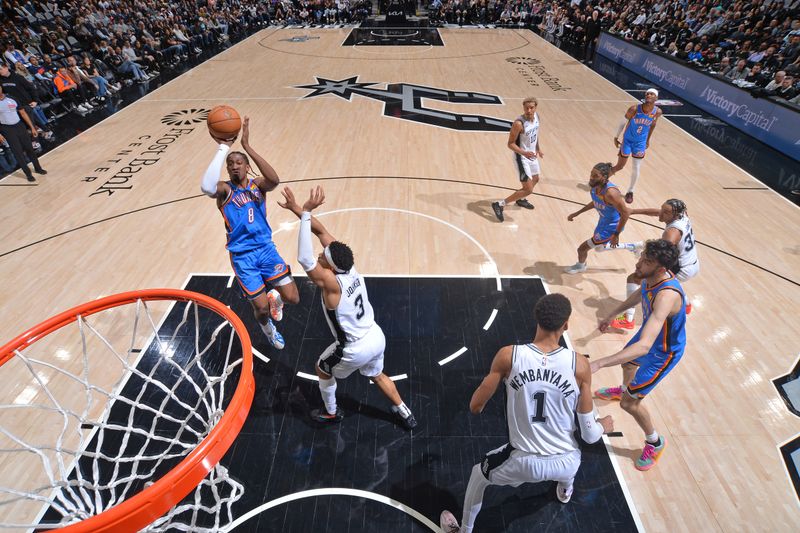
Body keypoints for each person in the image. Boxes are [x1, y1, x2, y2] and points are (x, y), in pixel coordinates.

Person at [439, 293, 613, 533]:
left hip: (523, 462)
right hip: (566, 462)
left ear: (536, 319)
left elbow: (475, 407)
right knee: (572, 452)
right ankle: (564, 490)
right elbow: (590, 435)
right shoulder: (579, 365)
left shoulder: (509, 356)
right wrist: (605, 424)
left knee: (477, 475)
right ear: (566, 325)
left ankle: (465, 530)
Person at [278, 186, 418, 429]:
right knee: (378, 375)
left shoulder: (332, 284)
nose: (321, 254)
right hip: (375, 335)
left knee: (322, 368)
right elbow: (320, 231)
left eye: (323, 256)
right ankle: (404, 411)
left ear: (330, 268)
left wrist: (307, 211)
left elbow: (304, 258)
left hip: (354, 347)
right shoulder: (346, 265)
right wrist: (299, 211)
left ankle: (331, 412)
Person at [200, 116, 300, 349]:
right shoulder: (225, 189)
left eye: (238, 162)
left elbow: (274, 179)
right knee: (261, 309)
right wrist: (223, 147)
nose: (234, 166)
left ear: (246, 166)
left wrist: (246, 146)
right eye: (230, 163)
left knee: (293, 298)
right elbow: (206, 187)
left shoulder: (258, 185)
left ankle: (275, 298)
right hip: (243, 257)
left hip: (266, 250)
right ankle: (268, 329)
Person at [592, 239, 686, 471]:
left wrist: (601, 362)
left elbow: (644, 347)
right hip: (649, 339)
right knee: (627, 365)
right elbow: (639, 294)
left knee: (629, 404)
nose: (639, 263)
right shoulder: (649, 276)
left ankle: (655, 442)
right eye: (642, 257)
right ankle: (625, 388)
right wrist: (613, 313)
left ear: (662, 268)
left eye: (647, 261)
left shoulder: (667, 295)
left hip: (662, 352)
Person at [611, 199, 699, 329]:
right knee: (674, 281)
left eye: (665, 212)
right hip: (692, 262)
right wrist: (633, 211)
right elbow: (657, 212)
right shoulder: (682, 215)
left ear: (674, 215)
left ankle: (628, 319)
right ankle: (686, 305)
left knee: (635, 279)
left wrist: (643, 255)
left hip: (681, 268)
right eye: (662, 209)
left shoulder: (671, 233)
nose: (661, 214)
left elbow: (661, 256)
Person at [564, 162, 631, 274]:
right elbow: (595, 202)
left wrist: (616, 234)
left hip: (612, 227)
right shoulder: (594, 188)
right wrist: (577, 213)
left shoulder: (612, 194)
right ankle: (632, 246)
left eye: (595, 176)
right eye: (591, 174)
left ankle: (580, 266)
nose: (591, 178)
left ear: (604, 177)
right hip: (603, 222)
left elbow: (625, 214)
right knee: (600, 248)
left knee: (582, 248)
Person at [491, 97, 544, 222]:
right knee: (528, 189)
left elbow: (535, 136)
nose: (529, 110)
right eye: (526, 108)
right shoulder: (518, 123)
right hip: (521, 157)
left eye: (531, 108)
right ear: (523, 108)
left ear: (536, 108)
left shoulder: (537, 117)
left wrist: (538, 148)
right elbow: (510, 144)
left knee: (536, 178)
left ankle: (520, 199)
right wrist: (524, 153)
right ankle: (499, 204)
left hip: (531, 155)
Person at [609, 88, 663, 204]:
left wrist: (648, 140)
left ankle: (630, 191)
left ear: (656, 98)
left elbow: (653, 125)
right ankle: (603, 178)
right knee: (620, 166)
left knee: (636, 167)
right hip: (628, 140)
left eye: (651, 94)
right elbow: (623, 122)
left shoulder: (657, 112)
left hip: (640, 143)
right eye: (647, 93)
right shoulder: (634, 109)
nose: (648, 95)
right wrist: (616, 137)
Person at [0, 84, 46, 182]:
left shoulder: (12, 98)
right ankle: (28, 174)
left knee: (29, 148)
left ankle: (38, 168)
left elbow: (23, 113)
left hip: (19, 126)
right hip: (7, 129)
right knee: (18, 152)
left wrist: (32, 127)